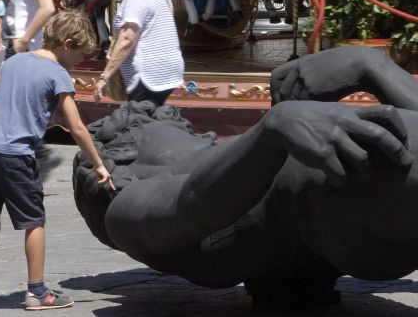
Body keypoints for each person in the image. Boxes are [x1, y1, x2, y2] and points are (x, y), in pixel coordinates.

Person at [75, 46, 418, 310]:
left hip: (354, 215)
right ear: (122, 156)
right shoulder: (128, 209)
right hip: (343, 189)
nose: (205, 135)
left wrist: (370, 66)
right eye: (170, 125)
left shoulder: (242, 159)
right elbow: (190, 203)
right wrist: (276, 124)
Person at [0, 11, 114, 313]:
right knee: (34, 221)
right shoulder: (58, 73)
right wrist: (99, 164)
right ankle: (37, 292)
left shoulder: (15, 61)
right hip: (17, 156)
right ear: (67, 43)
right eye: (80, 53)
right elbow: (76, 127)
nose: (79, 61)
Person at [94, 0, 184, 106]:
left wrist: (105, 77)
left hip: (148, 74)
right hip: (166, 71)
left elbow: (127, 38)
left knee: (138, 122)